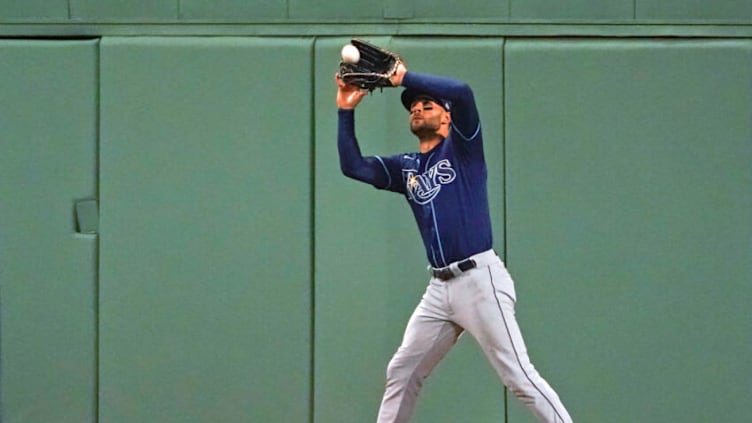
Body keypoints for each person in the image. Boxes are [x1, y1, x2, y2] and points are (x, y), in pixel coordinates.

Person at [335, 60, 573, 423]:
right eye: (413, 106)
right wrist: (345, 109)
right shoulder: (407, 166)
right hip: (438, 289)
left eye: (427, 105)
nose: (417, 108)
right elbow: (353, 166)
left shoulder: (464, 149)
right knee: (403, 370)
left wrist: (403, 78)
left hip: (480, 280)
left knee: (518, 376)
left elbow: (461, 93)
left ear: (446, 117)